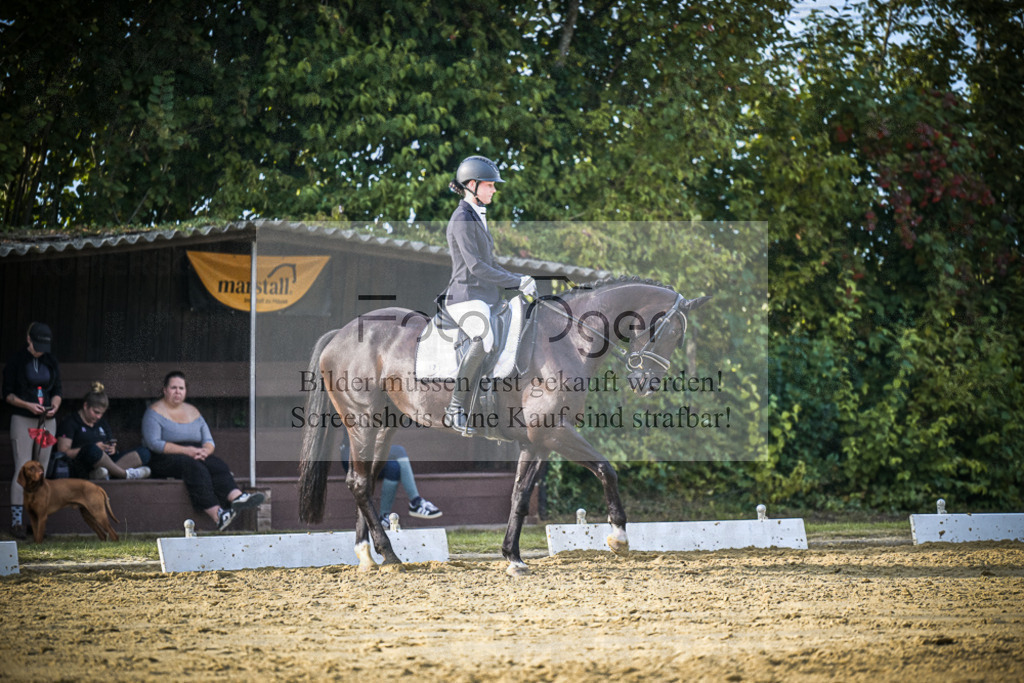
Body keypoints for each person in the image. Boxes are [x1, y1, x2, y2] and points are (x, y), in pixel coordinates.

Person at [443, 155, 538, 434]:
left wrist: (519, 280)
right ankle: (455, 408)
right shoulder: (462, 218)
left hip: (485, 297)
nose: (494, 190)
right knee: (484, 337)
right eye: (490, 185)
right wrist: (515, 282)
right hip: (465, 296)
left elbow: (491, 264)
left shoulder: (477, 217)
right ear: (472, 185)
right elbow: (475, 266)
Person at [141, 371, 263, 531]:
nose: (178, 391)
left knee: (216, 464)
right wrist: (187, 451)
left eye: (181, 388)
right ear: (165, 390)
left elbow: (208, 441)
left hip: (195, 454)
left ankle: (237, 497)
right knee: (194, 467)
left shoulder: (193, 411)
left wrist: (205, 451)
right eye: (173, 388)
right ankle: (218, 515)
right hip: (164, 458)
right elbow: (154, 443)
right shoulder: (154, 412)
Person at [4, 322, 63, 539]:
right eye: (36, 344)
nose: (39, 349)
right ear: (28, 339)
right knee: (23, 467)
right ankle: (17, 521)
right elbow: (8, 394)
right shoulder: (17, 361)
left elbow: (57, 390)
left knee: (41, 469)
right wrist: (28, 405)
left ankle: (38, 521)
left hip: (46, 420)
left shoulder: (50, 360)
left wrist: (55, 406)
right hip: (23, 418)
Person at [56, 381, 152, 481]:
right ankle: (124, 474)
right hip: (83, 464)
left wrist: (112, 449)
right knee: (92, 449)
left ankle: (104, 474)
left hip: (106, 463)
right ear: (85, 406)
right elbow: (63, 452)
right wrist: (94, 447)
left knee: (144, 452)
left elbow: (110, 444)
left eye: (102, 413)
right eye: (96, 412)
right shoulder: (70, 422)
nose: (99, 416)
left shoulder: (102, 423)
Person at [339, 438, 442, 530]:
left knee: (394, 467)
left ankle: (384, 517)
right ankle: (415, 502)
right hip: (351, 454)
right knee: (398, 451)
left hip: (368, 455)